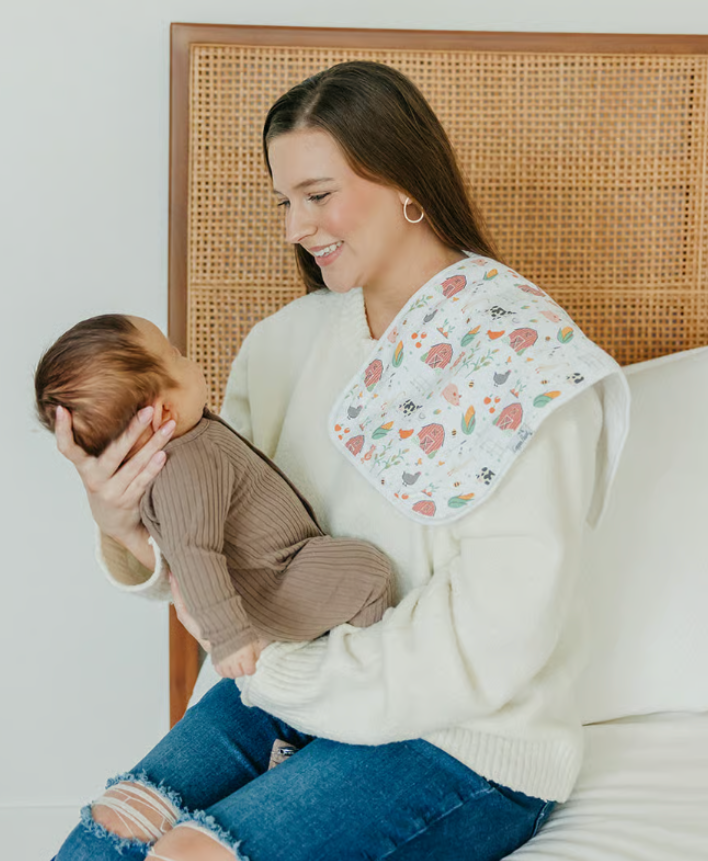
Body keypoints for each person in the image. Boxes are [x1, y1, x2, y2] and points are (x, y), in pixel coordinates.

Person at [50, 60, 629, 861]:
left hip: (462, 734)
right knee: (110, 833)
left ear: (405, 180)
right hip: (285, 690)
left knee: (193, 853)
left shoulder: (523, 359)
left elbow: (497, 635)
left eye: (318, 196)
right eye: (285, 201)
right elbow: (228, 552)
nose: (296, 227)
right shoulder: (281, 345)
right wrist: (121, 523)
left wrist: (290, 681)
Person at [35, 313, 394, 678]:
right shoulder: (185, 466)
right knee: (370, 574)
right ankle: (359, 673)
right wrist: (230, 638)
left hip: (282, 570)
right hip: (277, 582)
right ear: (164, 411)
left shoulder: (189, 444)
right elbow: (192, 553)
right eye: (175, 355)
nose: (187, 357)